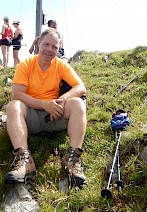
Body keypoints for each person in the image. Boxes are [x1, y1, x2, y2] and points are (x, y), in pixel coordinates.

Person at [5, 28, 87, 187]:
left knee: (78, 103)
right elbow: (17, 94)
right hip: (32, 117)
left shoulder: (60, 65)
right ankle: (25, 160)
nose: (50, 50)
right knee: (14, 106)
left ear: (59, 49)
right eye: (46, 44)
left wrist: (61, 100)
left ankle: (72, 160)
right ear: (38, 43)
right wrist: (44, 105)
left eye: (54, 47)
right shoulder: (26, 65)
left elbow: (80, 87)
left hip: (55, 115)